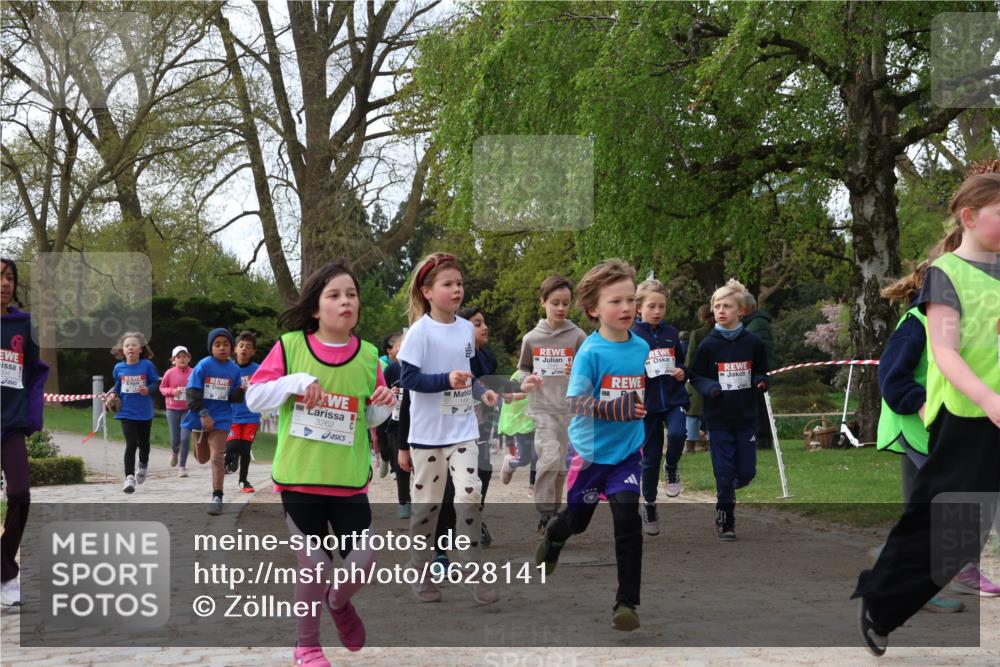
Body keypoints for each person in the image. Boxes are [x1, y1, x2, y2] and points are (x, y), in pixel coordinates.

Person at [854, 171, 1000, 657]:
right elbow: (946, 354)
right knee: (953, 538)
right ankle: (882, 602)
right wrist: (988, 399)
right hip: (968, 417)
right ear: (970, 217)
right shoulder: (945, 275)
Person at [246, 261, 394, 664]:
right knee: (313, 564)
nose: (345, 301)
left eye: (351, 294)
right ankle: (306, 644)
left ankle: (339, 603)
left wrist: (384, 404)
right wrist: (295, 383)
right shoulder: (291, 345)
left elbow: (370, 417)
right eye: (334, 295)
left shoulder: (368, 357)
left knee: (362, 563)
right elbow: (254, 397)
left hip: (348, 481)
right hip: (300, 479)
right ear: (316, 308)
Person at [534, 259, 648, 632]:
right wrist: (614, 407)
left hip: (628, 453)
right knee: (577, 521)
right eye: (616, 301)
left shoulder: (642, 347)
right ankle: (555, 535)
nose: (627, 308)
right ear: (594, 309)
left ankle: (626, 603)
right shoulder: (591, 352)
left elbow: (648, 391)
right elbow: (575, 402)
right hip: (591, 454)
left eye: (631, 299)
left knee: (628, 520)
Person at [394, 252, 500, 605]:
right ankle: (420, 569)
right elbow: (408, 380)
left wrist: (481, 392)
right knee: (427, 509)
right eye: (448, 284)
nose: (457, 290)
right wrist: (445, 380)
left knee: (469, 492)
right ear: (427, 291)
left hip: (462, 429)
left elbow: (465, 374)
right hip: (426, 436)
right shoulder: (419, 333)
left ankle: (473, 568)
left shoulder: (465, 329)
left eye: (460, 284)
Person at [690, 279, 770, 540]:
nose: (720, 311)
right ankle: (725, 517)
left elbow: (762, 369)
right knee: (723, 472)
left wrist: (761, 380)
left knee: (746, 471)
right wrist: (710, 386)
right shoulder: (708, 345)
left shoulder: (753, 343)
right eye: (717, 306)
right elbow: (696, 375)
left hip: (746, 416)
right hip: (718, 418)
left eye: (726, 306)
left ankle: (731, 489)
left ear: (741, 311)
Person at [517, 275, 588, 533]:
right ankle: (546, 513)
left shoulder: (578, 336)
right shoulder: (531, 338)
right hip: (543, 409)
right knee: (548, 458)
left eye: (566, 303)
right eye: (555, 302)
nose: (561, 308)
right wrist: (529, 378)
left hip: (571, 410)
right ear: (543, 302)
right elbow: (523, 369)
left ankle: (554, 513)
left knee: (560, 466)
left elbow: (590, 369)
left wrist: (578, 372)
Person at [1, 258, 49, 608]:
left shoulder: (24, 324)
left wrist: (32, 413)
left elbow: (36, 373)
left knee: (20, 494)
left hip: (11, 424)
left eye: (9, 277)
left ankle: (4, 572)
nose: (4, 283)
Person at [631, 278, 689, 535]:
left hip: (674, 399)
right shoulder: (631, 335)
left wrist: (682, 372)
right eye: (652, 306)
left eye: (662, 306)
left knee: (678, 434)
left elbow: (683, 362)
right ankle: (650, 504)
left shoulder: (671, 333)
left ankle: (673, 466)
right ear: (638, 308)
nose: (657, 311)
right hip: (648, 404)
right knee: (650, 458)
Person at [182, 328, 243, 514]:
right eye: (217, 345)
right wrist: (203, 414)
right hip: (199, 415)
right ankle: (200, 444)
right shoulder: (204, 365)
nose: (222, 348)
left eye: (226, 344)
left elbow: (234, 398)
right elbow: (191, 393)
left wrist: (240, 392)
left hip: (222, 418)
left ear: (231, 348)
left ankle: (217, 496)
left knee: (217, 457)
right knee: (202, 458)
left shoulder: (234, 369)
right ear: (211, 348)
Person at [103, 332, 159, 494]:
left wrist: (148, 389)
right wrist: (113, 395)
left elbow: (155, 382)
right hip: (126, 412)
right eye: (127, 345)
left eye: (134, 345)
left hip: (144, 411)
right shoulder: (119, 368)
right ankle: (129, 477)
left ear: (140, 349)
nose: (130, 348)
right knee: (131, 443)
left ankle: (143, 465)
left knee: (144, 444)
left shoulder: (147, 366)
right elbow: (118, 385)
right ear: (123, 350)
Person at [228, 331, 261, 493]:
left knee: (245, 449)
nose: (244, 349)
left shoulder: (258, 370)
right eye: (241, 346)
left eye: (248, 347)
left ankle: (243, 480)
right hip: (231, 415)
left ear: (253, 351)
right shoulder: (228, 368)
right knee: (233, 446)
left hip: (251, 415)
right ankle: (230, 459)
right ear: (235, 349)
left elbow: (266, 388)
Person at [684, 304, 714, 453]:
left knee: (693, 412)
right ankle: (711, 443)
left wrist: (687, 374)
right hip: (716, 376)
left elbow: (690, 357)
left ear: (701, 316)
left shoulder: (697, 334)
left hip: (697, 376)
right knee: (714, 412)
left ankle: (690, 445)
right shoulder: (720, 332)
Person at [160, 345, 193, 476]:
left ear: (189, 358)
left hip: (188, 409)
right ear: (174, 360)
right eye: (179, 357)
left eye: (184, 356)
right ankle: (174, 452)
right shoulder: (169, 373)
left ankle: (182, 466)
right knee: (175, 439)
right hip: (172, 409)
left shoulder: (193, 372)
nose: (182, 359)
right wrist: (173, 392)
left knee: (185, 438)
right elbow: (162, 389)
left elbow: (199, 387)